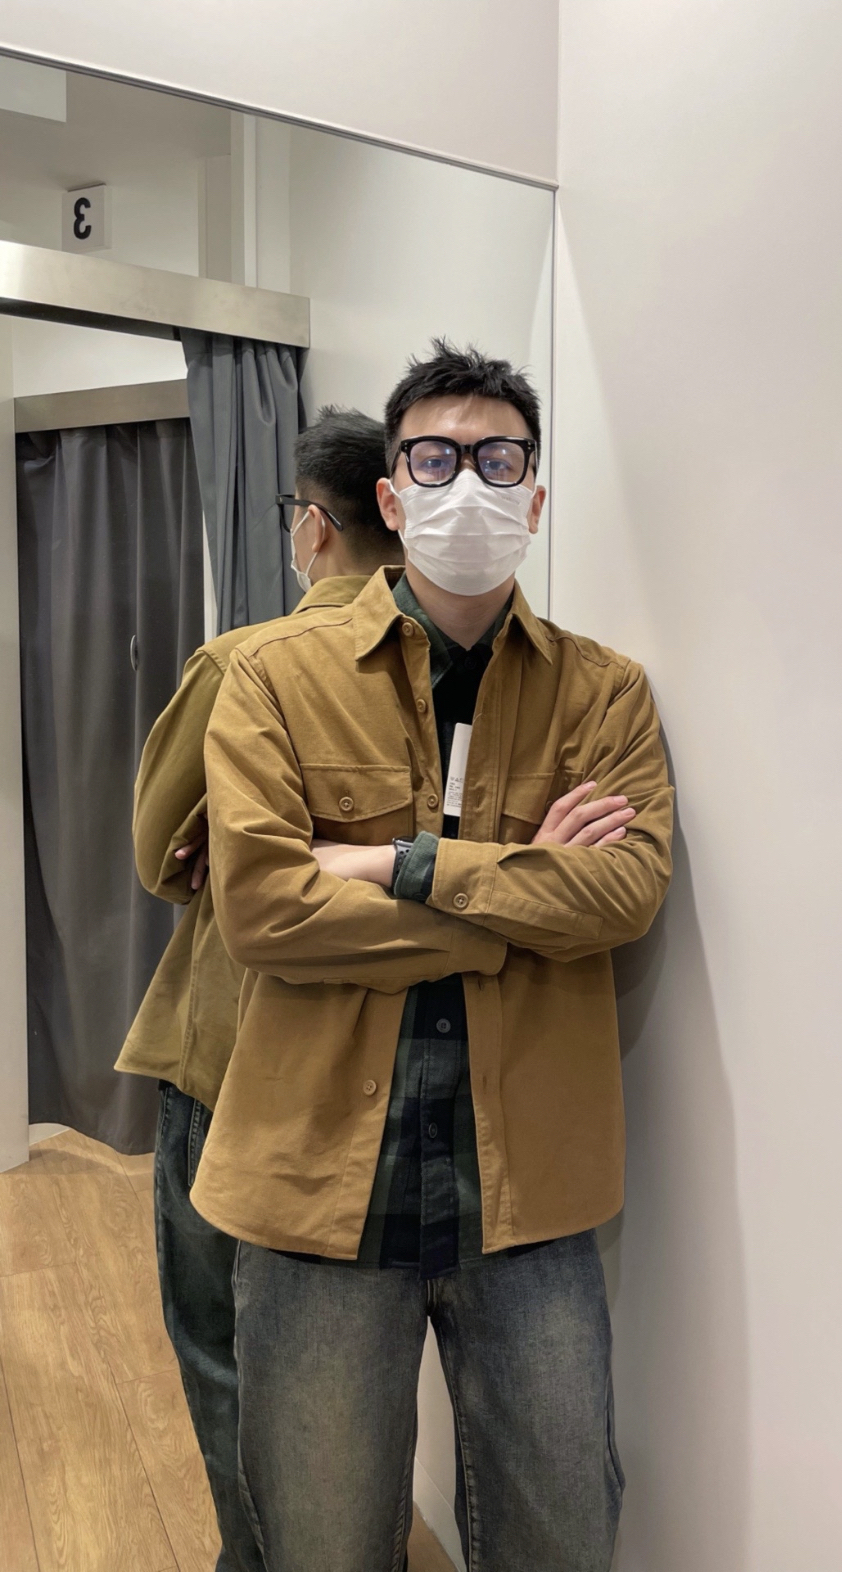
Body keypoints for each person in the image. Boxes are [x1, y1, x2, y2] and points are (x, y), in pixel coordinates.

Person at [192, 339, 674, 1572]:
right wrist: (521, 897)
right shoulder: (270, 679)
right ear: (391, 497)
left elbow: (621, 894)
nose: (468, 484)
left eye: (498, 460)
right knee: (323, 1545)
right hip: (316, 1184)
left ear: (536, 498)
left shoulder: (605, 696)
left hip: (529, 1194)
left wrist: (396, 863)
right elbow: (264, 912)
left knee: (563, 1537)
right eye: (435, 460)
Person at [116, 407, 401, 1572]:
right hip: (398, 1062)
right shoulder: (457, 665)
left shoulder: (244, 661)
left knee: (226, 1341)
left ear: (313, 526)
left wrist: (236, 853)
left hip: (233, 1051)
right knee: (359, 1365)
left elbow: (157, 854)